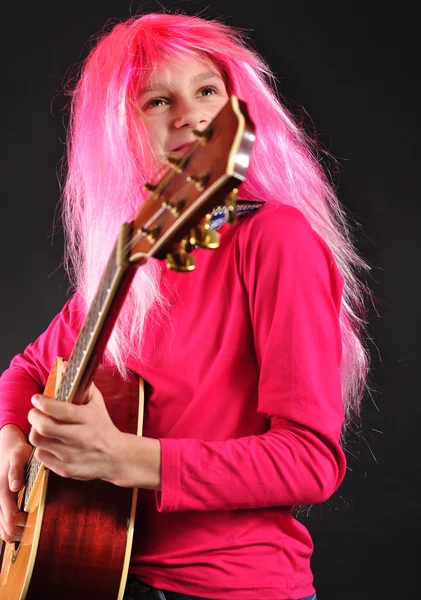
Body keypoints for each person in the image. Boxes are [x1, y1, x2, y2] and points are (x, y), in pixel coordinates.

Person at [0, 11, 369, 600]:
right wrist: (11, 443)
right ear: (118, 132)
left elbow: (309, 462)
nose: (192, 116)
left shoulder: (276, 240)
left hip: (237, 589)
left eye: (207, 90)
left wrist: (124, 459)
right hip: (110, 576)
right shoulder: (133, 263)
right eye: (156, 101)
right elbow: (23, 372)